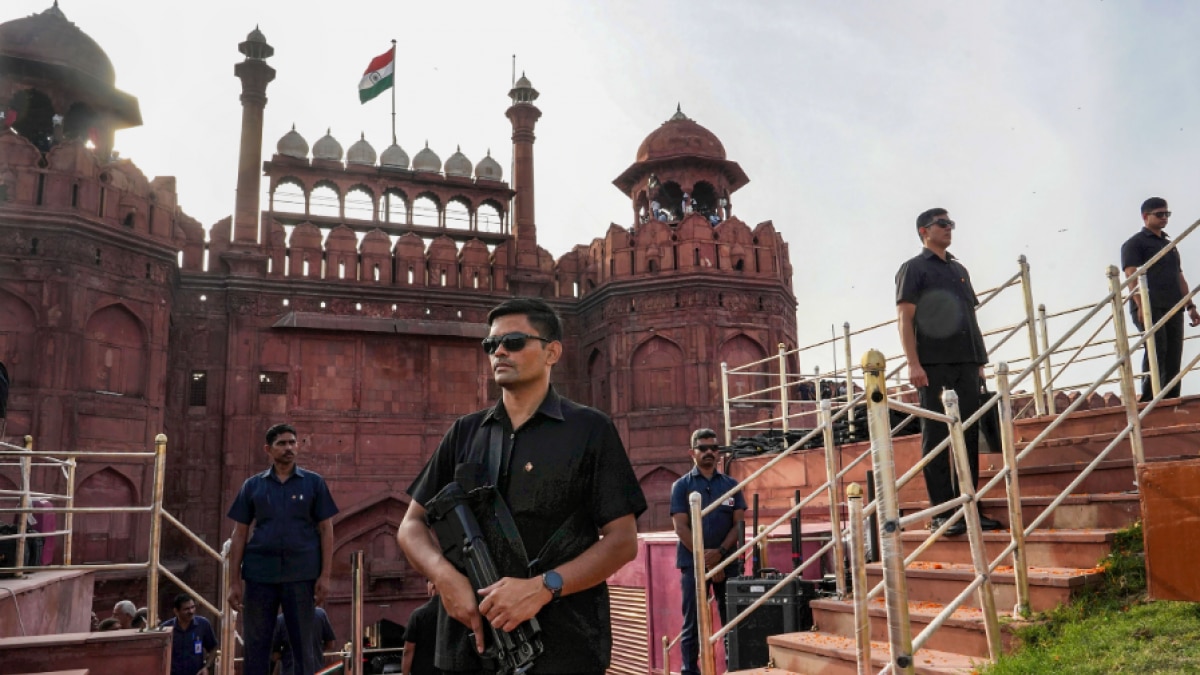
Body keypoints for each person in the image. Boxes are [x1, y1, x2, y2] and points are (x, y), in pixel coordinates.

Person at [397, 297, 647, 674]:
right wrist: (444, 576)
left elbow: (622, 541)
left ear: (552, 352)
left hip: (561, 643)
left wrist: (543, 587)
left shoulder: (589, 431)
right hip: (471, 644)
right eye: (490, 345)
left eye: (513, 342)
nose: (498, 351)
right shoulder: (465, 432)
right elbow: (411, 525)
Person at [896, 208, 1003, 536]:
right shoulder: (913, 269)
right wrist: (913, 364)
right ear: (923, 231)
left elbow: (970, 318)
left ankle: (969, 508)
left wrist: (980, 362)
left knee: (968, 435)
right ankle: (943, 512)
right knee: (938, 435)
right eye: (942, 224)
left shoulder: (959, 270)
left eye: (951, 224)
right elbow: (905, 318)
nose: (949, 229)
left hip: (967, 363)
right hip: (933, 364)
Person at [227, 423, 339, 675]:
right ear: (268, 449)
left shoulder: (313, 483)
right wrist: (234, 582)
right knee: (256, 646)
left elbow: (326, 529)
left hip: (301, 576)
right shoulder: (253, 486)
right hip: (259, 575)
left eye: (292, 442)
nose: (289, 448)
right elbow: (240, 533)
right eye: (282, 443)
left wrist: (325, 575)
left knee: (303, 645)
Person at [670, 428, 746, 675]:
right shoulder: (681, 486)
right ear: (692, 452)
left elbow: (739, 524)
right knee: (692, 623)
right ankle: (690, 671)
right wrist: (706, 560)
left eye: (714, 448)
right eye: (703, 448)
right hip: (693, 564)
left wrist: (721, 555)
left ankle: (734, 670)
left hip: (728, 563)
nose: (710, 453)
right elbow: (681, 528)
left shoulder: (731, 485)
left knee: (731, 621)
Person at [1121, 197, 1200, 401]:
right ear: (1145, 216)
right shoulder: (1134, 244)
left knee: (1174, 354)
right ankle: (1150, 399)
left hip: (1173, 305)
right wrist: (1140, 305)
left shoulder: (1169, 244)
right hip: (1150, 305)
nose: (1164, 218)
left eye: (1167, 214)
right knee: (1157, 349)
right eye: (1159, 214)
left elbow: (1179, 275)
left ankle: (1171, 399)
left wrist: (1190, 305)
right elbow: (1131, 274)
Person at [161, 593, 217, 675]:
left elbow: (213, 648)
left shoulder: (203, 624)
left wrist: (206, 667)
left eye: (193, 607)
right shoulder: (166, 628)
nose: (191, 611)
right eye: (186, 609)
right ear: (176, 611)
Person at [271, 606, 336, 675]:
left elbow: (275, 655)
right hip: (315, 670)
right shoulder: (320, 615)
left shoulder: (281, 620)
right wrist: (317, 650)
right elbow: (330, 644)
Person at [401, 581, 442, 675]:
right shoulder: (457, 613)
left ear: (432, 585)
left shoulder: (418, 615)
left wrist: (405, 673)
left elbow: (408, 650)